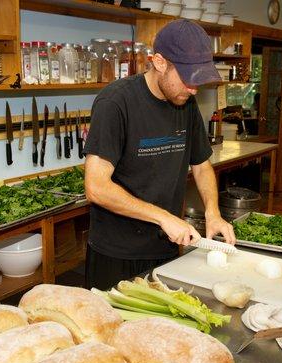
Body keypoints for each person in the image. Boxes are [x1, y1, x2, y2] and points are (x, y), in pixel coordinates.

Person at [83, 19, 236, 290]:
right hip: (117, 252)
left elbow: (201, 165)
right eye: (187, 79)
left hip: (166, 246)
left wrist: (213, 212)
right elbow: (96, 187)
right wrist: (164, 217)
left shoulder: (185, 104)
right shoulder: (116, 102)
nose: (193, 89)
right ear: (160, 62)